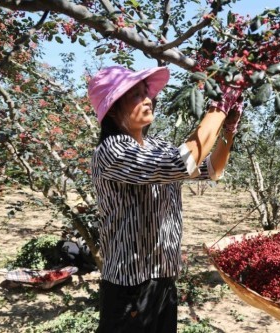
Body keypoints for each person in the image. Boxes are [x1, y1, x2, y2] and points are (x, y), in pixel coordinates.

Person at [88, 65, 243, 333]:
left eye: (145, 93)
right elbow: (183, 163)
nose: (148, 99)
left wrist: (228, 130)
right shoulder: (111, 151)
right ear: (113, 109)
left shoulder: (158, 147)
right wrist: (220, 104)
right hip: (129, 287)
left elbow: (212, 170)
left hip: (163, 279)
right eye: (135, 95)